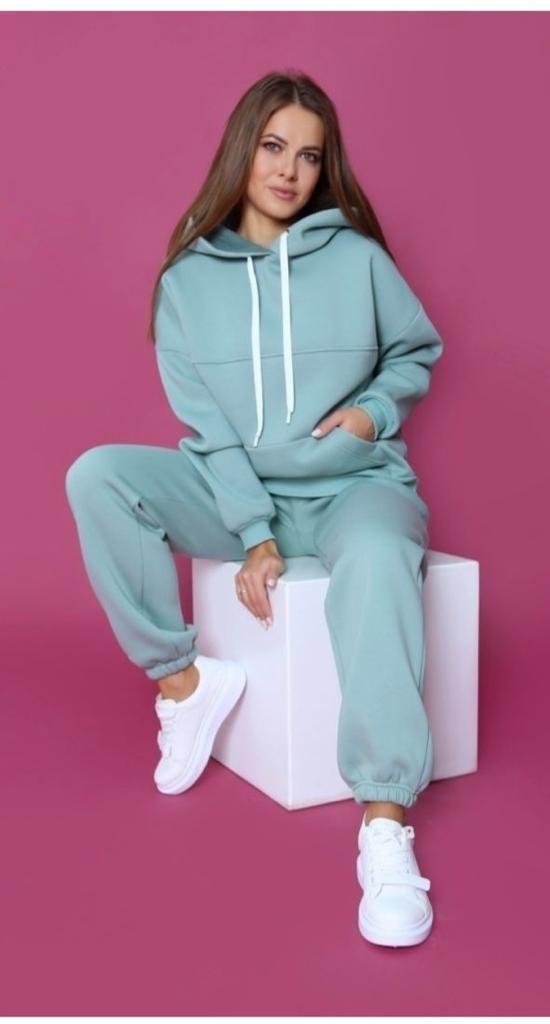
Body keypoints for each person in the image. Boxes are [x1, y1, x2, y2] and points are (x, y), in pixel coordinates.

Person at [65, 70, 444, 948]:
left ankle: (385, 825)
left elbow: (417, 350)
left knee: (380, 559)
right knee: (99, 476)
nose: (289, 172)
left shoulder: (358, 258)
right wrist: (254, 536)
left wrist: (372, 412)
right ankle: (184, 685)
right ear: (243, 149)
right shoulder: (185, 284)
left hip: (355, 487)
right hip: (241, 490)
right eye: (274, 147)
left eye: (309, 157)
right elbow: (208, 433)